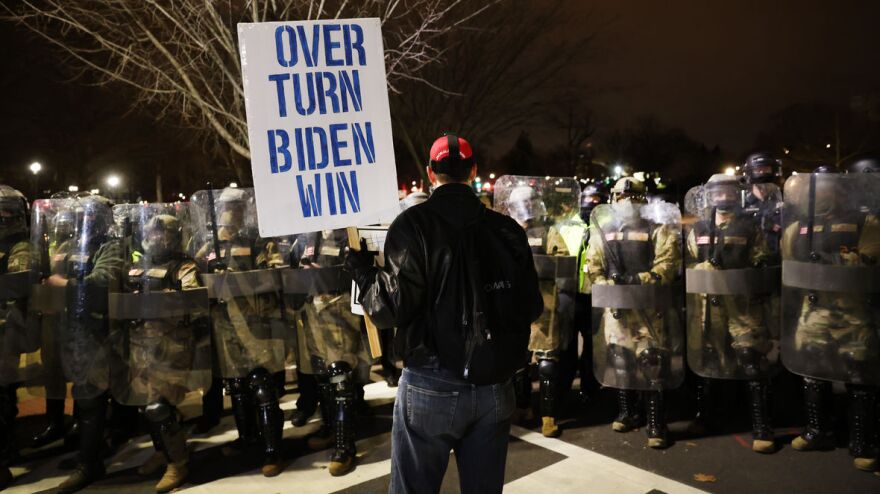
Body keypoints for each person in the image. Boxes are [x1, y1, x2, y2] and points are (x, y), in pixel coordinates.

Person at [347, 134, 543, 493]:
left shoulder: (412, 225)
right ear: (473, 170)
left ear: (430, 172)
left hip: (431, 381)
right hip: (495, 383)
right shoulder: (506, 229)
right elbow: (532, 306)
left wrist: (362, 272)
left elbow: (388, 309)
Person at [781, 168, 879, 471]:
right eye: (817, 191)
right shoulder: (796, 228)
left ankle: (863, 441)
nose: (823, 195)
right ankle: (817, 431)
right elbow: (789, 267)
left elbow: (871, 258)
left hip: (853, 313)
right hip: (814, 312)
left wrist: (832, 261)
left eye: (829, 190)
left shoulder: (866, 223)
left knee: (858, 375)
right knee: (813, 371)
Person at [107, 207, 211, 492]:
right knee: (147, 405)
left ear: (174, 236)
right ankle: (162, 450)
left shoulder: (184, 267)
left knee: (158, 407)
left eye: (163, 233)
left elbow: (193, 302)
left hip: (173, 346)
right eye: (152, 232)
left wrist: (161, 300)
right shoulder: (137, 265)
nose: (156, 238)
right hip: (142, 345)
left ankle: (177, 462)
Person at [193, 187, 287, 477]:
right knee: (236, 387)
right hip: (224, 324)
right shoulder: (209, 245)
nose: (232, 213)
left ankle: (273, 450)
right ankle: (248, 439)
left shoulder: (257, 240)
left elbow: (274, 275)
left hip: (255, 321)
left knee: (261, 385)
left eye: (237, 208)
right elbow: (195, 276)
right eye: (227, 208)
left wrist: (237, 278)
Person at [585, 177, 683, 449]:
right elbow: (593, 266)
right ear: (613, 200)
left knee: (653, 364)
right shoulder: (604, 230)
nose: (626, 202)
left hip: (649, 309)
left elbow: (667, 266)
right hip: (617, 310)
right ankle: (628, 412)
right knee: (621, 361)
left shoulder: (658, 230)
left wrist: (639, 280)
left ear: (643, 200)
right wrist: (609, 286)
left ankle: (656, 422)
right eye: (621, 197)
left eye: (633, 197)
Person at [684, 174, 779, 453]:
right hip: (707, 306)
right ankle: (707, 416)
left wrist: (748, 272)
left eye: (728, 191)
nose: (723, 196)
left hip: (742, 307)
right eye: (718, 191)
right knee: (709, 359)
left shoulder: (749, 226)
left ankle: (761, 425)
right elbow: (689, 261)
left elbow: (762, 259)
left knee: (751, 359)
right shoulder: (699, 227)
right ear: (709, 195)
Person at [44, 195, 123, 493]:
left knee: (91, 395)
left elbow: (102, 282)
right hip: (69, 328)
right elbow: (51, 272)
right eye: (84, 215)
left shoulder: (110, 246)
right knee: (81, 392)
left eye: (93, 216)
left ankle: (89, 464)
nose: (87, 220)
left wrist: (65, 284)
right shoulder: (73, 245)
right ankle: (92, 448)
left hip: (95, 329)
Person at [494, 177, 583, 437]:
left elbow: (564, 263)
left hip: (545, 306)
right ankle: (522, 407)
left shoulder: (548, 231)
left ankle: (548, 415)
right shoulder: (505, 233)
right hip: (514, 307)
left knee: (547, 365)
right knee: (517, 363)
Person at [281, 229, 372, 476]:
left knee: (340, 377)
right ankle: (331, 427)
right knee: (323, 376)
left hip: (340, 312)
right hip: (312, 313)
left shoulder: (348, 233)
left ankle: (345, 447)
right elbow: (293, 268)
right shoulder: (306, 235)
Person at [0, 186, 32, 489]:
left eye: (6, 211)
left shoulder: (19, 247)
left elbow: (17, 285)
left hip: (6, 327)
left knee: (1, 392)